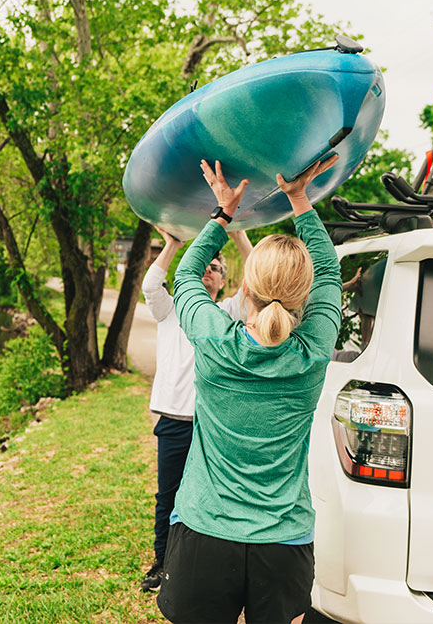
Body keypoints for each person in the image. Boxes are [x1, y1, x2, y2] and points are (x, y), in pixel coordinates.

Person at [156, 155, 342, 624]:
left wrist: (223, 213)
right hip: (282, 543)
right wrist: (299, 198)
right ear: (306, 293)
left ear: (248, 286)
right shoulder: (314, 350)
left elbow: (184, 275)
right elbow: (331, 272)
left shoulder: (214, 339)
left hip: (205, 532)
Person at [140, 225, 252, 592]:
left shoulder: (228, 312)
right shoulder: (170, 310)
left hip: (214, 423)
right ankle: (163, 562)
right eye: (203, 262)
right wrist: (173, 245)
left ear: (223, 279)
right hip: (174, 420)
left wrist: (238, 236)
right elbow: (150, 285)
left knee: (214, 496)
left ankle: (206, 568)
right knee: (167, 494)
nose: (208, 268)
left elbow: (256, 282)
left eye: (216, 266)